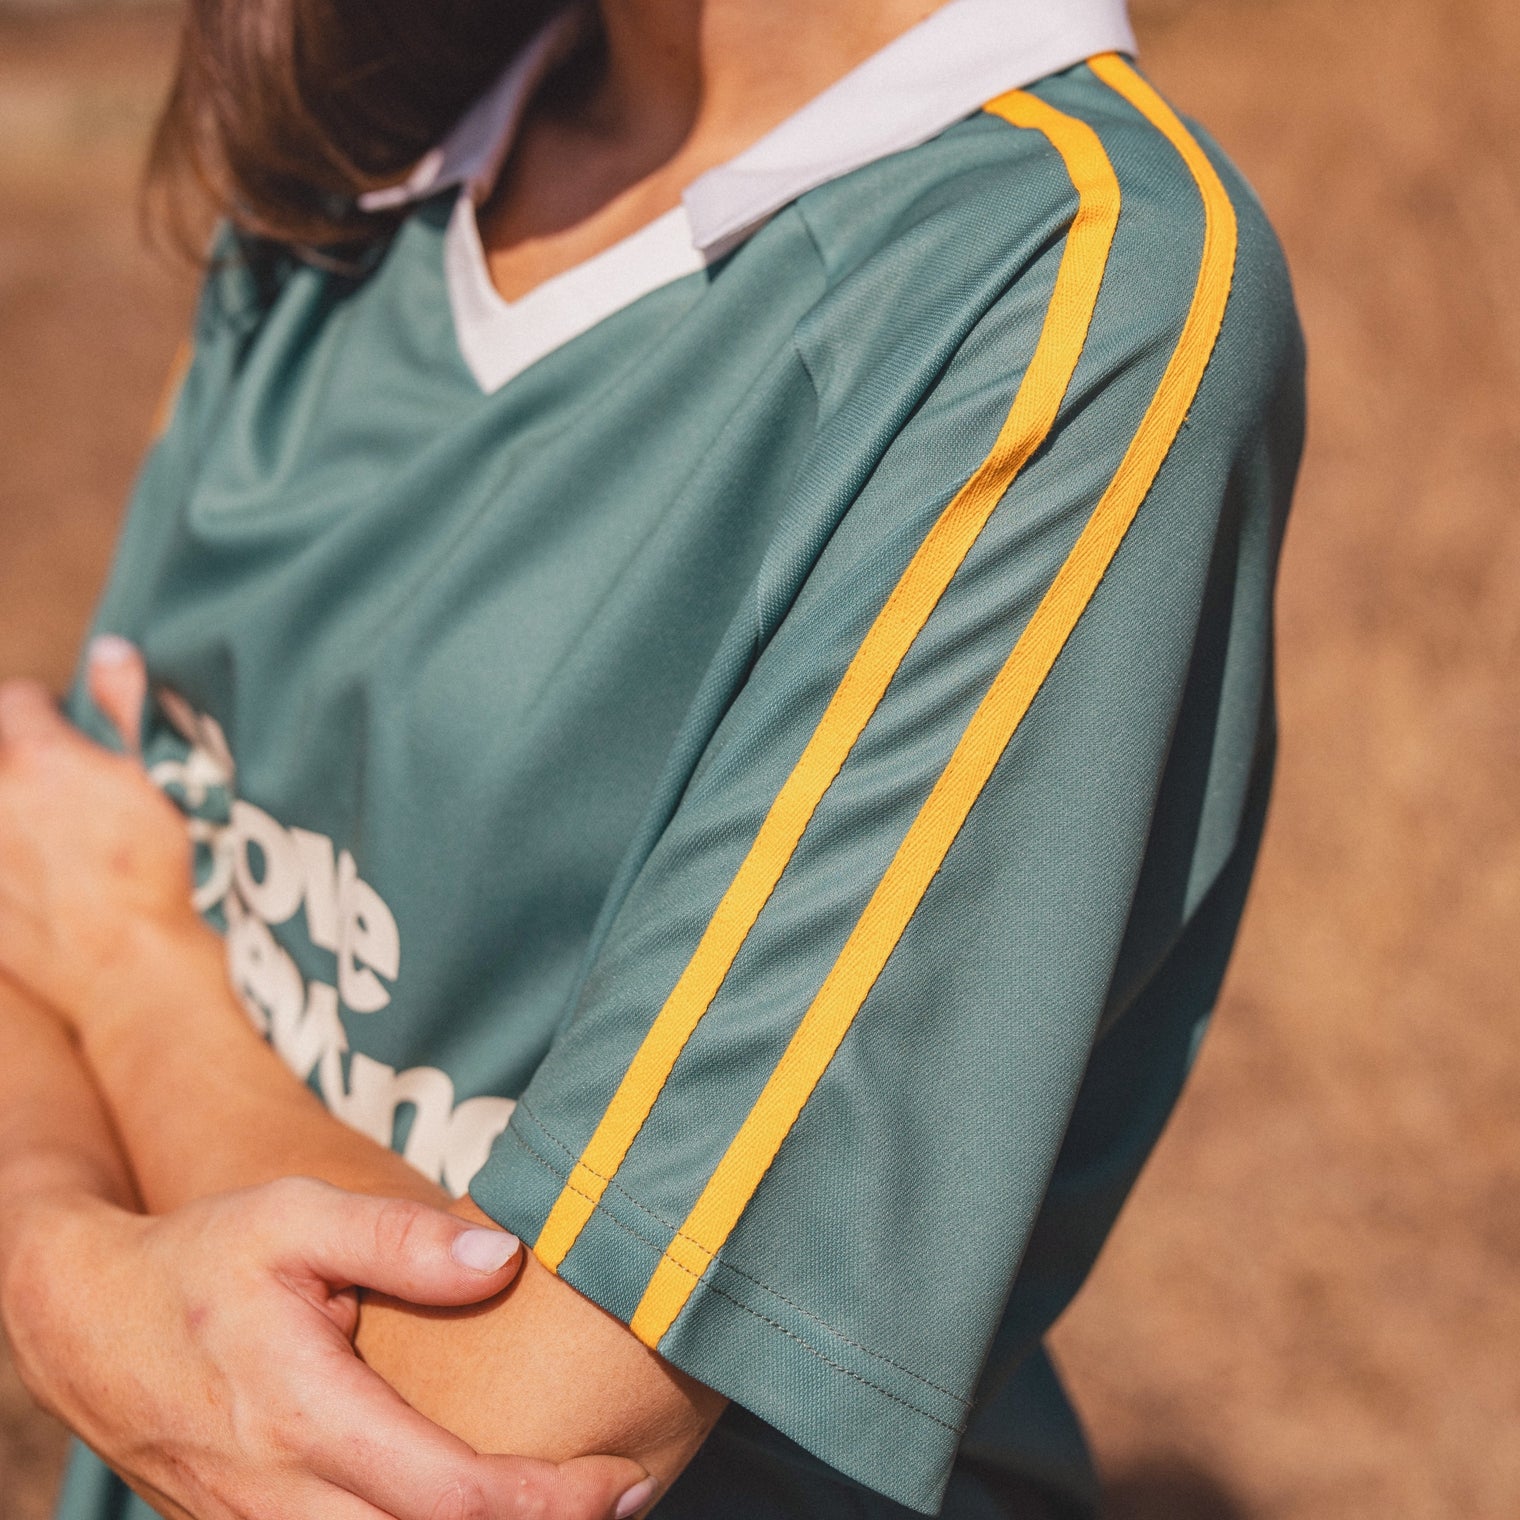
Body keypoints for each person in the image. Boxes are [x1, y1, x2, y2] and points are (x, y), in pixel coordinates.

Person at [0, 0, 1306, 1516]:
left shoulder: (1077, 294)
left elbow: (505, 1447)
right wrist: (54, 1251)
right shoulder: (376, 115)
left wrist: (140, 983)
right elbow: (39, 874)